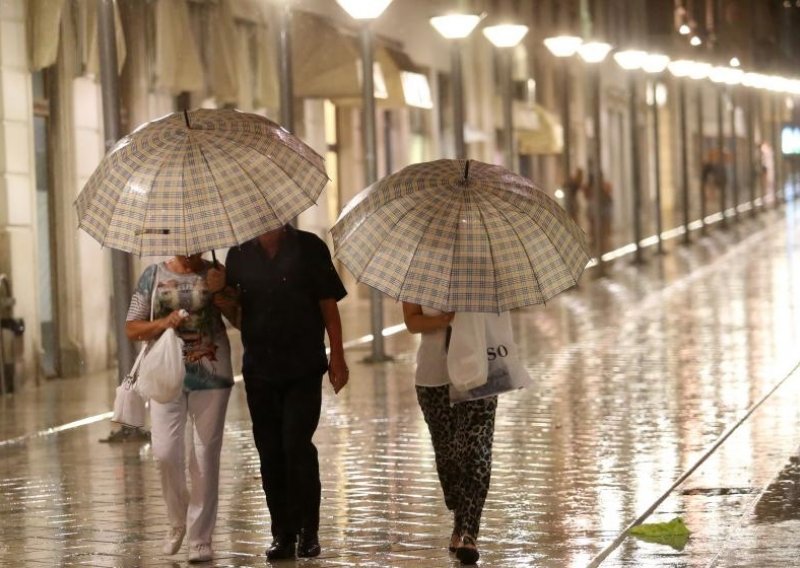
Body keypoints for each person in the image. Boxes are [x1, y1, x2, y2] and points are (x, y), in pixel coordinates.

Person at [208, 224, 348, 561]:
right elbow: (238, 315)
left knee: (296, 445)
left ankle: (308, 530)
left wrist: (338, 356)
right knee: (270, 451)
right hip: (260, 369)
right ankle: (282, 532)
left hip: (303, 364)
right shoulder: (238, 255)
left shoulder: (309, 246)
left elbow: (327, 303)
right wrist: (220, 290)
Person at [125, 253, 233, 563]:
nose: (192, 248)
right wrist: (163, 322)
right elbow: (132, 328)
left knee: (204, 457)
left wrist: (222, 290)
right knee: (165, 453)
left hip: (212, 374)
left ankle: (200, 538)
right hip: (165, 376)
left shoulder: (216, 273)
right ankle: (178, 520)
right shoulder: (153, 275)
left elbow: (239, 317)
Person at [401, 302, 498, 566]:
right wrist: (446, 319)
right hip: (434, 378)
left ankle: (470, 532)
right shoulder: (421, 272)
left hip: (480, 374)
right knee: (448, 456)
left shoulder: (485, 271)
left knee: (477, 451)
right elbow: (412, 322)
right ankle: (459, 519)